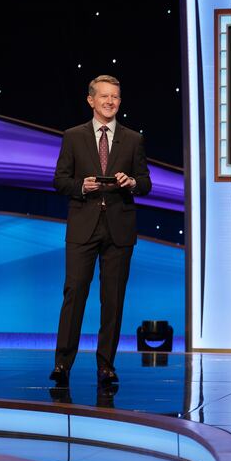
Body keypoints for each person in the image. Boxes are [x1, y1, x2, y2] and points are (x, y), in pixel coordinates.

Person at [50, 75, 152, 386]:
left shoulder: (133, 139)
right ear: (91, 100)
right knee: (74, 294)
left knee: (113, 300)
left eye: (115, 97)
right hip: (83, 227)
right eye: (104, 97)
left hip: (119, 230)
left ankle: (106, 365)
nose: (110, 102)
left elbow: (145, 183)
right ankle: (62, 364)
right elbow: (59, 180)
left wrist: (131, 182)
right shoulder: (73, 136)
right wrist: (82, 186)